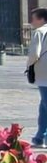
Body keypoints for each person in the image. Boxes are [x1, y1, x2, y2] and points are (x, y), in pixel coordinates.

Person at [27, 8, 47, 147]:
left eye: (33, 18)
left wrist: (29, 66)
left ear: (41, 19)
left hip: (44, 73)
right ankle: (40, 136)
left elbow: (34, 54)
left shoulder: (39, 32)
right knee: (43, 106)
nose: (31, 22)